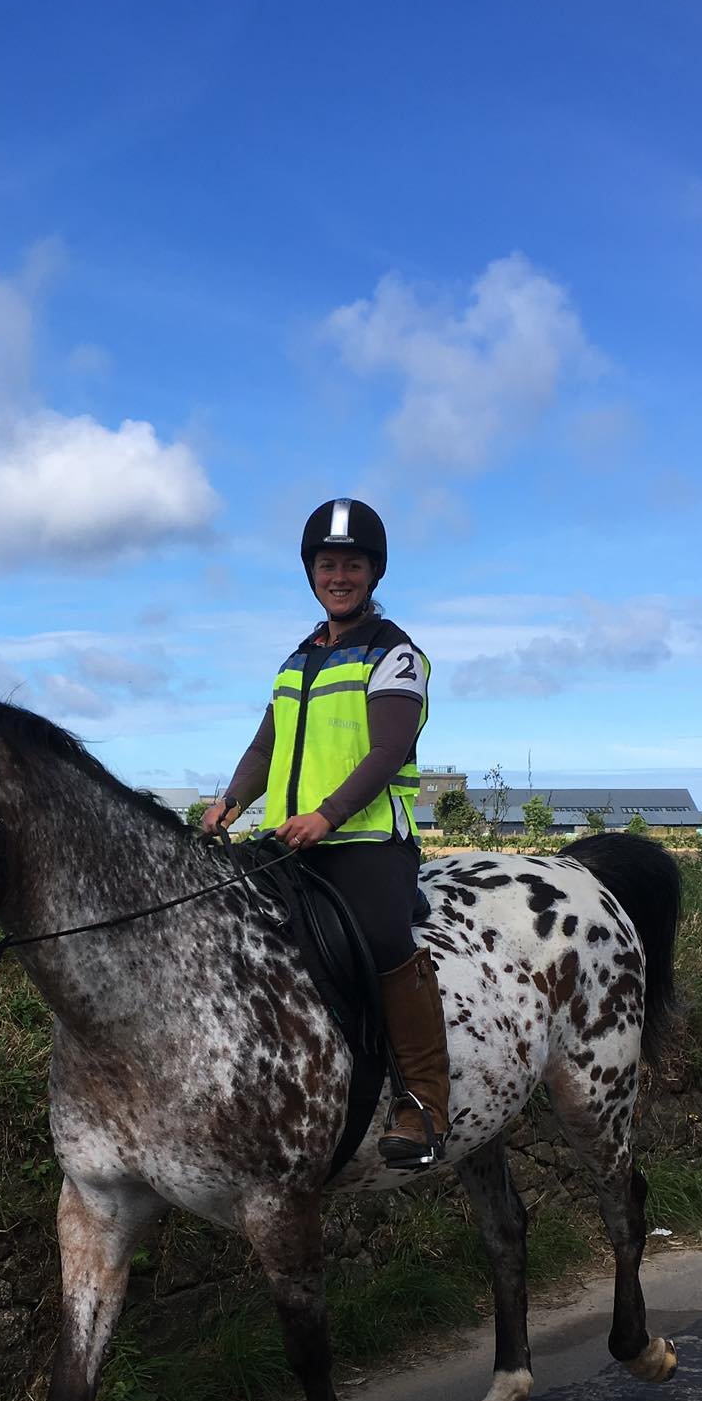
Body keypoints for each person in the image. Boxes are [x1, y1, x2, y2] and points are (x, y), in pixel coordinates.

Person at [201, 497, 450, 1168]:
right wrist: (228, 802)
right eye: (327, 564)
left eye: (353, 564)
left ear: (374, 573)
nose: (339, 575)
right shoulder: (296, 660)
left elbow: (388, 751)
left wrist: (329, 816)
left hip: (367, 842)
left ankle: (424, 1101)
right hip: (286, 843)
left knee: (382, 940)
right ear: (312, 571)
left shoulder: (395, 655)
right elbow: (263, 750)